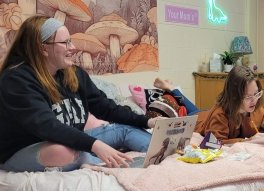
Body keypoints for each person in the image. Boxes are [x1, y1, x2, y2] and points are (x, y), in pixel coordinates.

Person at [0, 16, 160, 172]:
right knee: (64, 151)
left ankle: (162, 155)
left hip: (67, 140)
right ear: (43, 48)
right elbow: (47, 126)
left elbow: (106, 108)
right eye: (65, 42)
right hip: (24, 149)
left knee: (125, 129)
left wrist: (148, 121)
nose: (73, 47)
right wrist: (95, 145)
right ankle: (114, 166)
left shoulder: (73, 73)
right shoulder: (16, 79)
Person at [195, 66, 264, 144]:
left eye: (256, 94)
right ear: (234, 97)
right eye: (248, 97)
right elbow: (215, 142)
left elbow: (262, 129)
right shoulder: (219, 114)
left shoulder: (256, 107)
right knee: (183, 105)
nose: (254, 100)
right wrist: (248, 141)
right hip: (198, 118)